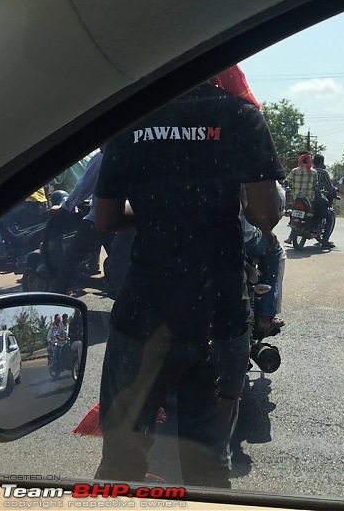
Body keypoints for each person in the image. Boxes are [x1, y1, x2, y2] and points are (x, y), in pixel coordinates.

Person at [93, 72, 284, 488]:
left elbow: (105, 220)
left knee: (120, 463)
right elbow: (265, 217)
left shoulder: (130, 117)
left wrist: (161, 211)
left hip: (144, 314)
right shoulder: (240, 115)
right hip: (219, 316)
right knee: (208, 466)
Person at [51, 149, 114, 294]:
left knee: (69, 259)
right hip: (124, 217)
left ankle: (57, 296)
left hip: (99, 216)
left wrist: (66, 206)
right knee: (120, 258)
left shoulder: (101, 158)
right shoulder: (129, 151)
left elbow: (83, 186)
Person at [241, 181, 286, 337]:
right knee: (275, 251)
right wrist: (267, 231)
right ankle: (265, 317)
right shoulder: (251, 165)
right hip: (243, 237)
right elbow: (276, 199)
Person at [312, 153, 336, 249]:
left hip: (305, 198)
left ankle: (291, 236)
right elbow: (329, 187)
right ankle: (325, 241)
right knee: (329, 218)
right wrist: (333, 191)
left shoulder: (308, 171)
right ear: (321, 162)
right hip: (317, 198)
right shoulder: (323, 172)